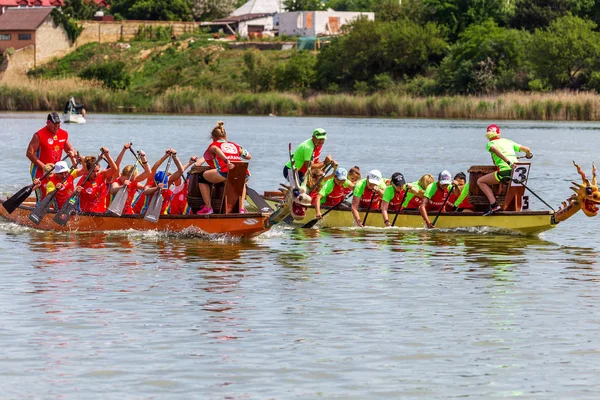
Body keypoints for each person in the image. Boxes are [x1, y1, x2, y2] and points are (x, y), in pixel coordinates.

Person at [196, 121, 251, 215]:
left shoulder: (214, 145)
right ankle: (241, 209)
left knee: (201, 177)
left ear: (213, 137)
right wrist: (240, 151)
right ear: (225, 136)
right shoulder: (235, 145)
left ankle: (208, 208)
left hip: (226, 172)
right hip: (243, 173)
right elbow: (248, 156)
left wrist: (226, 160)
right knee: (242, 182)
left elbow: (216, 150)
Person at [477, 124, 532, 215]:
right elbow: (527, 149)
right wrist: (528, 155)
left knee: (480, 181)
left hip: (506, 170)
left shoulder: (490, 144)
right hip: (518, 169)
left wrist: (508, 162)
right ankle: (517, 208)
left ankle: (494, 205)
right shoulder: (508, 141)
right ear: (499, 133)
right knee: (517, 188)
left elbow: (495, 150)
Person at [26, 112, 75, 197]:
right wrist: (44, 167)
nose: (56, 126)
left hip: (56, 171)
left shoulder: (64, 134)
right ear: (48, 123)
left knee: (56, 193)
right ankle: (39, 206)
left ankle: (53, 209)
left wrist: (73, 154)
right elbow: (29, 153)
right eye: (54, 124)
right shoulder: (38, 135)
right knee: (43, 196)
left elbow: (69, 149)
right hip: (39, 170)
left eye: (58, 123)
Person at [76, 148, 118, 213]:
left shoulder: (102, 175)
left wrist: (107, 155)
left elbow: (114, 169)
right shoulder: (83, 181)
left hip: (101, 212)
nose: (96, 174)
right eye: (93, 171)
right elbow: (73, 196)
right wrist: (76, 192)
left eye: (97, 171)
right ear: (88, 171)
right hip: (86, 213)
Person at [109, 151, 151, 215]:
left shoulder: (133, 182)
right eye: (127, 179)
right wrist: (122, 186)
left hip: (128, 213)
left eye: (131, 179)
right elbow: (113, 190)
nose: (129, 181)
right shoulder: (116, 182)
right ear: (122, 175)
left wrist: (143, 158)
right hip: (114, 212)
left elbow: (148, 172)